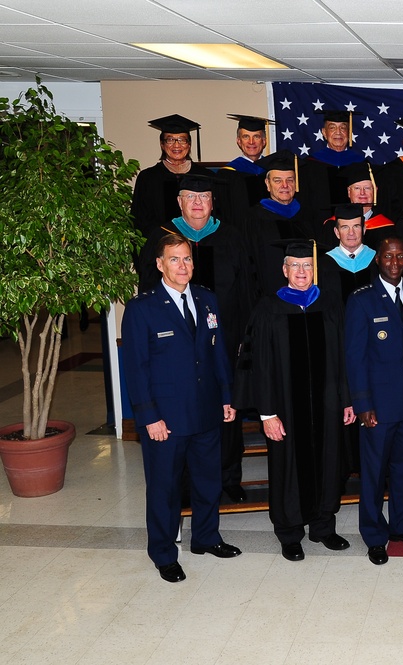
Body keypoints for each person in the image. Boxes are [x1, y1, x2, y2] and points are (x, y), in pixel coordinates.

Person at [121, 235, 242, 583]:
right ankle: (163, 553)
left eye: (187, 259)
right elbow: (136, 369)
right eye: (174, 260)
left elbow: (219, 354)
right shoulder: (142, 308)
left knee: (208, 481)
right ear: (160, 264)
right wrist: (148, 417)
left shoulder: (207, 299)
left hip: (205, 411)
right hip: (166, 419)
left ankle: (206, 537)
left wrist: (225, 397)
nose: (182, 266)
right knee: (164, 488)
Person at [233, 240, 355, 561]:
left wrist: (347, 400)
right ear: (284, 269)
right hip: (284, 408)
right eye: (295, 266)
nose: (302, 272)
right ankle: (289, 533)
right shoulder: (267, 308)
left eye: (307, 266)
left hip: (327, 406)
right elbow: (255, 363)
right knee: (288, 467)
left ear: (314, 270)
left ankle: (323, 527)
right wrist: (267, 413)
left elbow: (345, 357)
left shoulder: (328, 304)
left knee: (328, 462)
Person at [136, 173, 254, 503]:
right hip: (175, 347)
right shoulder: (162, 240)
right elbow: (147, 291)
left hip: (225, 345)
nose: (198, 203)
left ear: (213, 202)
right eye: (190, 197)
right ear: (179, 202)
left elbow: (246, 291)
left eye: (203, 198)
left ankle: (229, 476)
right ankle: (185, 483)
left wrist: (246, 339)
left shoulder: (231, 236)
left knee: (226, 411)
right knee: (183, 413)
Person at [345, 238, 403, 565]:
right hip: (378, 406)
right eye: (388, 256)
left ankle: (402, 526)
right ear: (377, 259)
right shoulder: (362, 300)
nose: (394, 261)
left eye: (400, 255)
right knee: (374, 472)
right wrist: (362, 403)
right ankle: (374, 534)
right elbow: (355, 358)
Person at [247, 151, 324, 297]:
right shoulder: (254, 218)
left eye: (290, 180)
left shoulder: (308, 215)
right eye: (277, 180)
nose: (285, 185)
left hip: (308, 294)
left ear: (296, 183)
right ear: (267, 184)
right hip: (269, 295)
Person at [130, 114, 214, 237]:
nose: (176, 145)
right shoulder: (148, 178)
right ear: (162, 145)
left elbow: (216, 216)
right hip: (160, 245)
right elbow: (140, 220)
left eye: (182, 140)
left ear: (189, 144)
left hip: (201, 244)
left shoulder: (206, 176)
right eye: (170, 140)